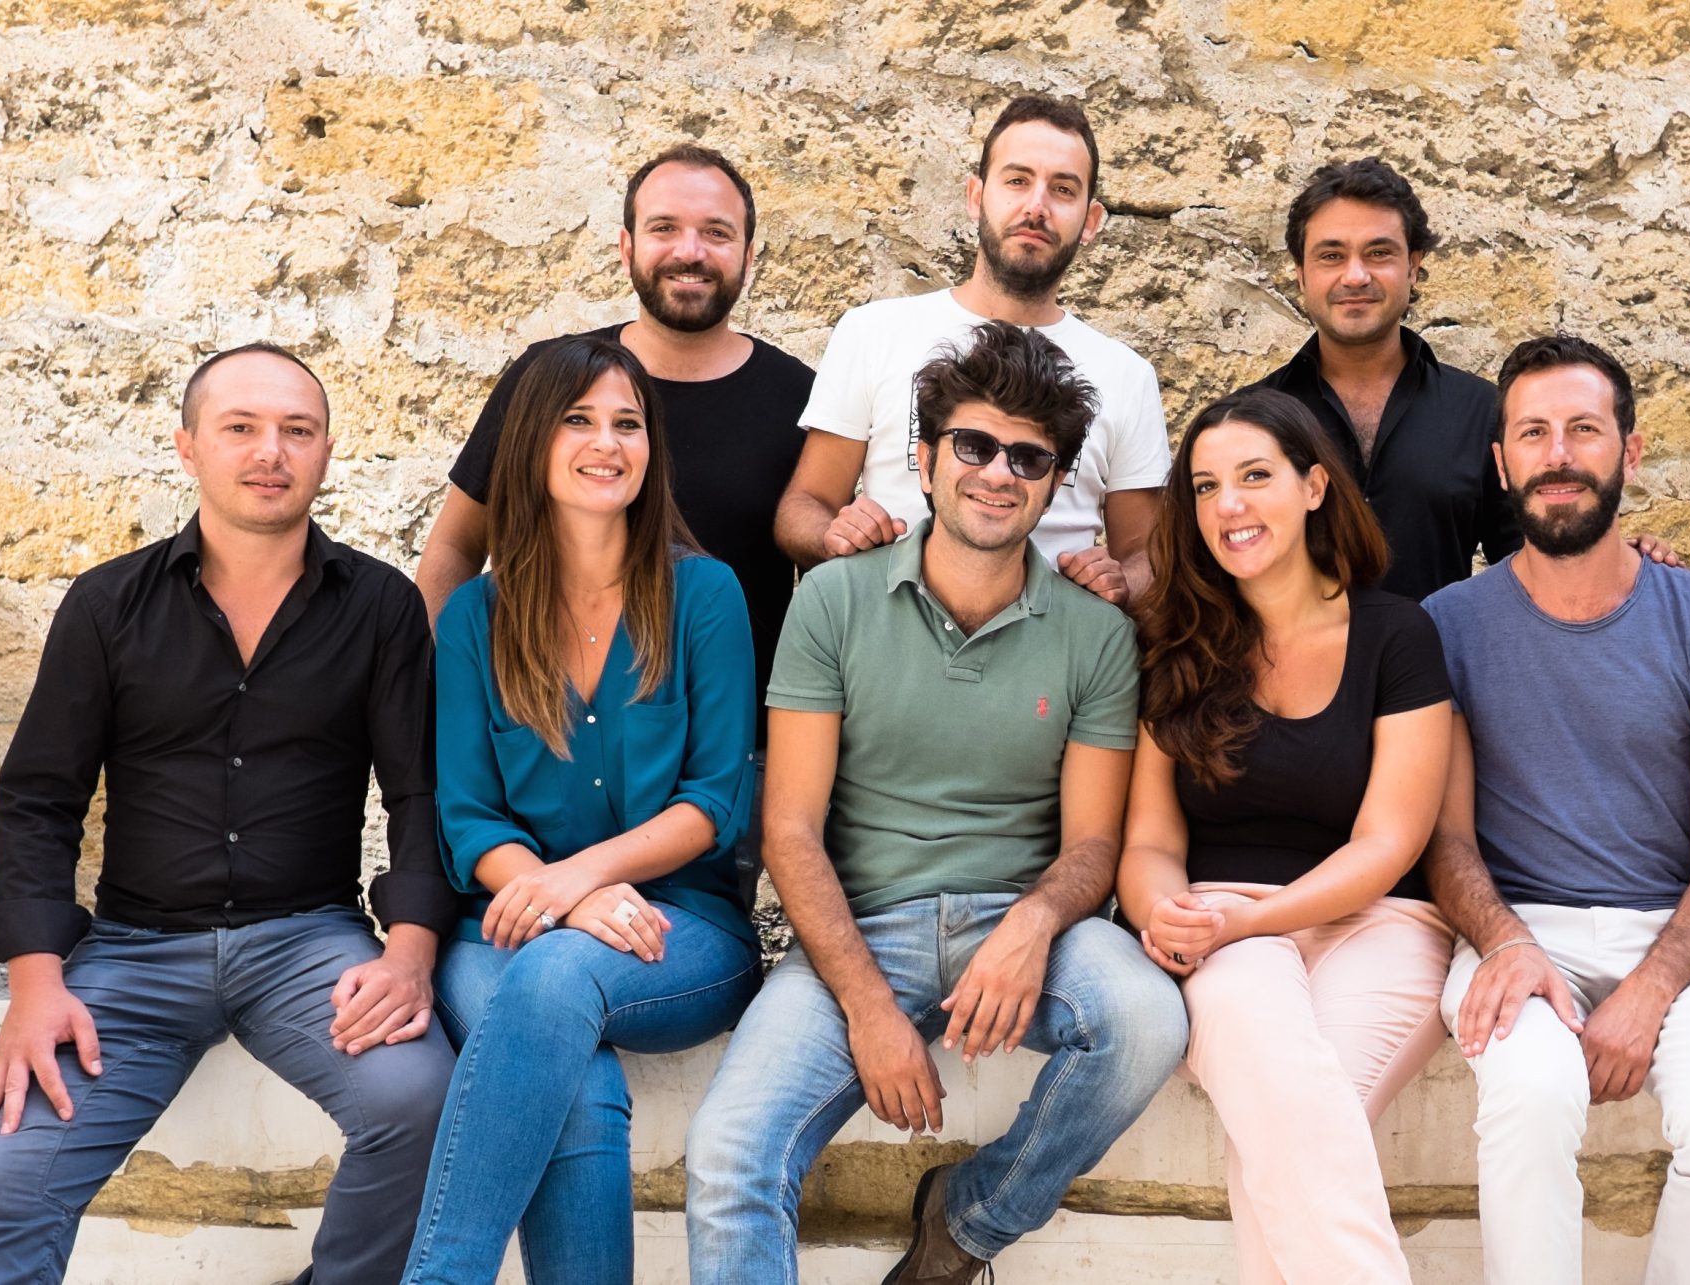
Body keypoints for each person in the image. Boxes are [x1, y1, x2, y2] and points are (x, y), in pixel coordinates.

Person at [0, 344, 457, 1284]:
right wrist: (36, 983)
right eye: (241, 427)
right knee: (6, 1180)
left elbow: (420, 791)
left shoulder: (380, 605)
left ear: (326, 451)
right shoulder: (107, 604)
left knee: (419, 1101)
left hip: (307, 944)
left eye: (297, 430)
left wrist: (410, 953)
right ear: (188, 447)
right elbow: (39, 799)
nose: (271, 451)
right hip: (133, 957)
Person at [684, 321, 1188, 1284]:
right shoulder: (832, 599)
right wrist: (870, 1009)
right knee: (728, 1153)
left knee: (1145, 1021)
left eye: (1029, 457)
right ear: (923, 460)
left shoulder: (1095, 632)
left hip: (1024, 924)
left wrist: (1033, 923)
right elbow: (788, 829)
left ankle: (969, 1220)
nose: (998, 473)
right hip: (864, 928)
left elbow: (1093, 843)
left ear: (1056, 483)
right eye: (974, 445)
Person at [1421, 335, 1690, 1284]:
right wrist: (1506, 942)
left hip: (1673, 940)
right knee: (1533, 1096)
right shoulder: (1448, 624)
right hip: (1515, 933)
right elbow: (1447, 838)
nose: (1558, 454)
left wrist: (1652, 990)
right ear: (1502, 461)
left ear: (1630, 449)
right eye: (1533, 433)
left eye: (1583, 429)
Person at [400, 337, 760, 1283]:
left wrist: (578, 882)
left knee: (560, 974)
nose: (607, 443)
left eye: (627, 424)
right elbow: (469, 816)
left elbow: (712, 803)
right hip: (501, 927)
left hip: (681, 928)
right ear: (531, 443)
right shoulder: (474, 617)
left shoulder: (705, 594)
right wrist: (563, 896)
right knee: (578, 1077)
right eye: (578, 420)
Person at [1117, 388, 1454, 1282]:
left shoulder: (1397, 633)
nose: (1228, 504)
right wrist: (1165, 913)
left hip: (1380, 919)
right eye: (1206, 486)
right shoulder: (1173, 643)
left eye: (1255, 476)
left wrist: (1255, 919)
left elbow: (1389, 841)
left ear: (1314, 487)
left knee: (1291, 1125)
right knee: (1291, 1111)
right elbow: (1149, 841)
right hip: (1221, 923)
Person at [414, 144, 808, 884]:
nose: (689, 251)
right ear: (627, 246)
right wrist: (471, 703)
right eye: (664, 228)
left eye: (716, 232)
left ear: (749, 254)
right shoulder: (547, 380)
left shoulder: (799, 400)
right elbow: (454, 550)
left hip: (719, 770)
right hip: (548, 745)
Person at [774, 94, 1170, 605]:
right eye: (1017, 180)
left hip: (1051, 640)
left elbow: (1146, 554)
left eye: (1063, 189)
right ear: (976, 195)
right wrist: (834, 534)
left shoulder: (1126, 375)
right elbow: (804, 505)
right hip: (884, 630)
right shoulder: (873, 332)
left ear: (1090, 220)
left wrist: (1121, 582)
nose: (1037, 206)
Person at [1241, 158, 1674, 599]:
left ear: (1413, 266)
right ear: (1301, 273)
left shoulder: (1482, 411)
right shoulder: (1249, 422)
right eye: (1332, 256)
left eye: (1379, 253)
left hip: (1440, 647)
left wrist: (1619, 556)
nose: (1355, 276)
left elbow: (1541, 556)